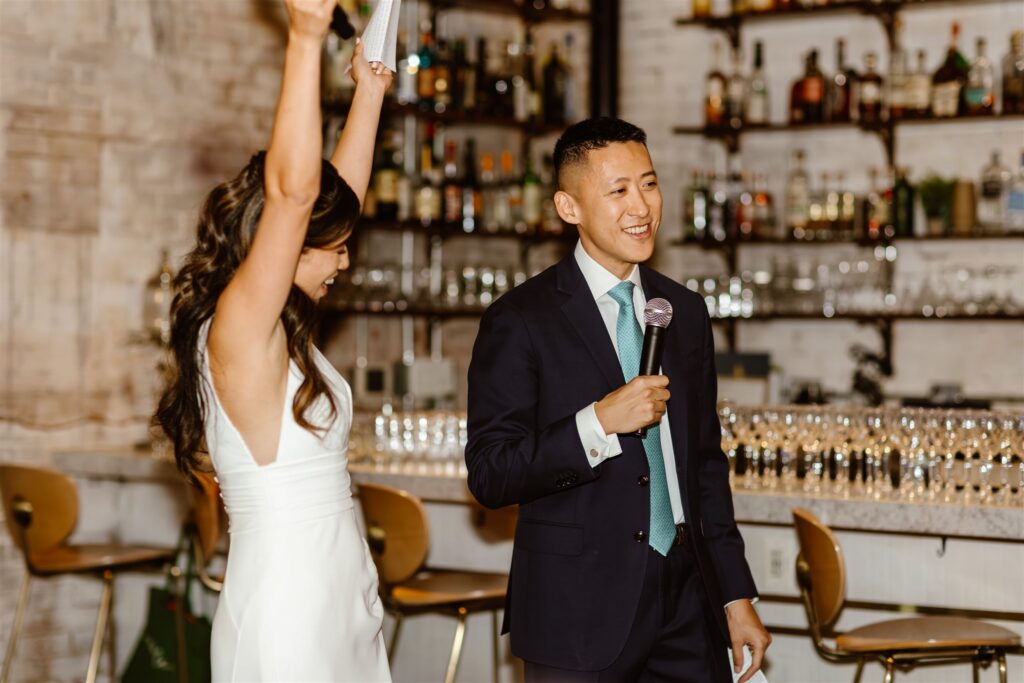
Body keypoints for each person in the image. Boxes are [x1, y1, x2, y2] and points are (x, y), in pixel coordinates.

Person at [465, 117, 771, 682]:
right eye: (618, 190)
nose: (642, 206)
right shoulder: (520, 319)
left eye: (649, 184)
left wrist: (734, 594)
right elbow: (491, 474)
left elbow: (705, 465)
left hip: (688, 598)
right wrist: (598, 423)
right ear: (569, 207)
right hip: (578, 606)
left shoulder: (684, 311)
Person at [154, 0, 392, 680]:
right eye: (333, 248)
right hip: (289, 611)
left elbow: (333, 197)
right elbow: (295, 198)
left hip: (339, 595)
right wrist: (305, 37)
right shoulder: (236, 325)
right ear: (283, 244)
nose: (345, 260)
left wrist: (370, 91)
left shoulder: (280, 330)